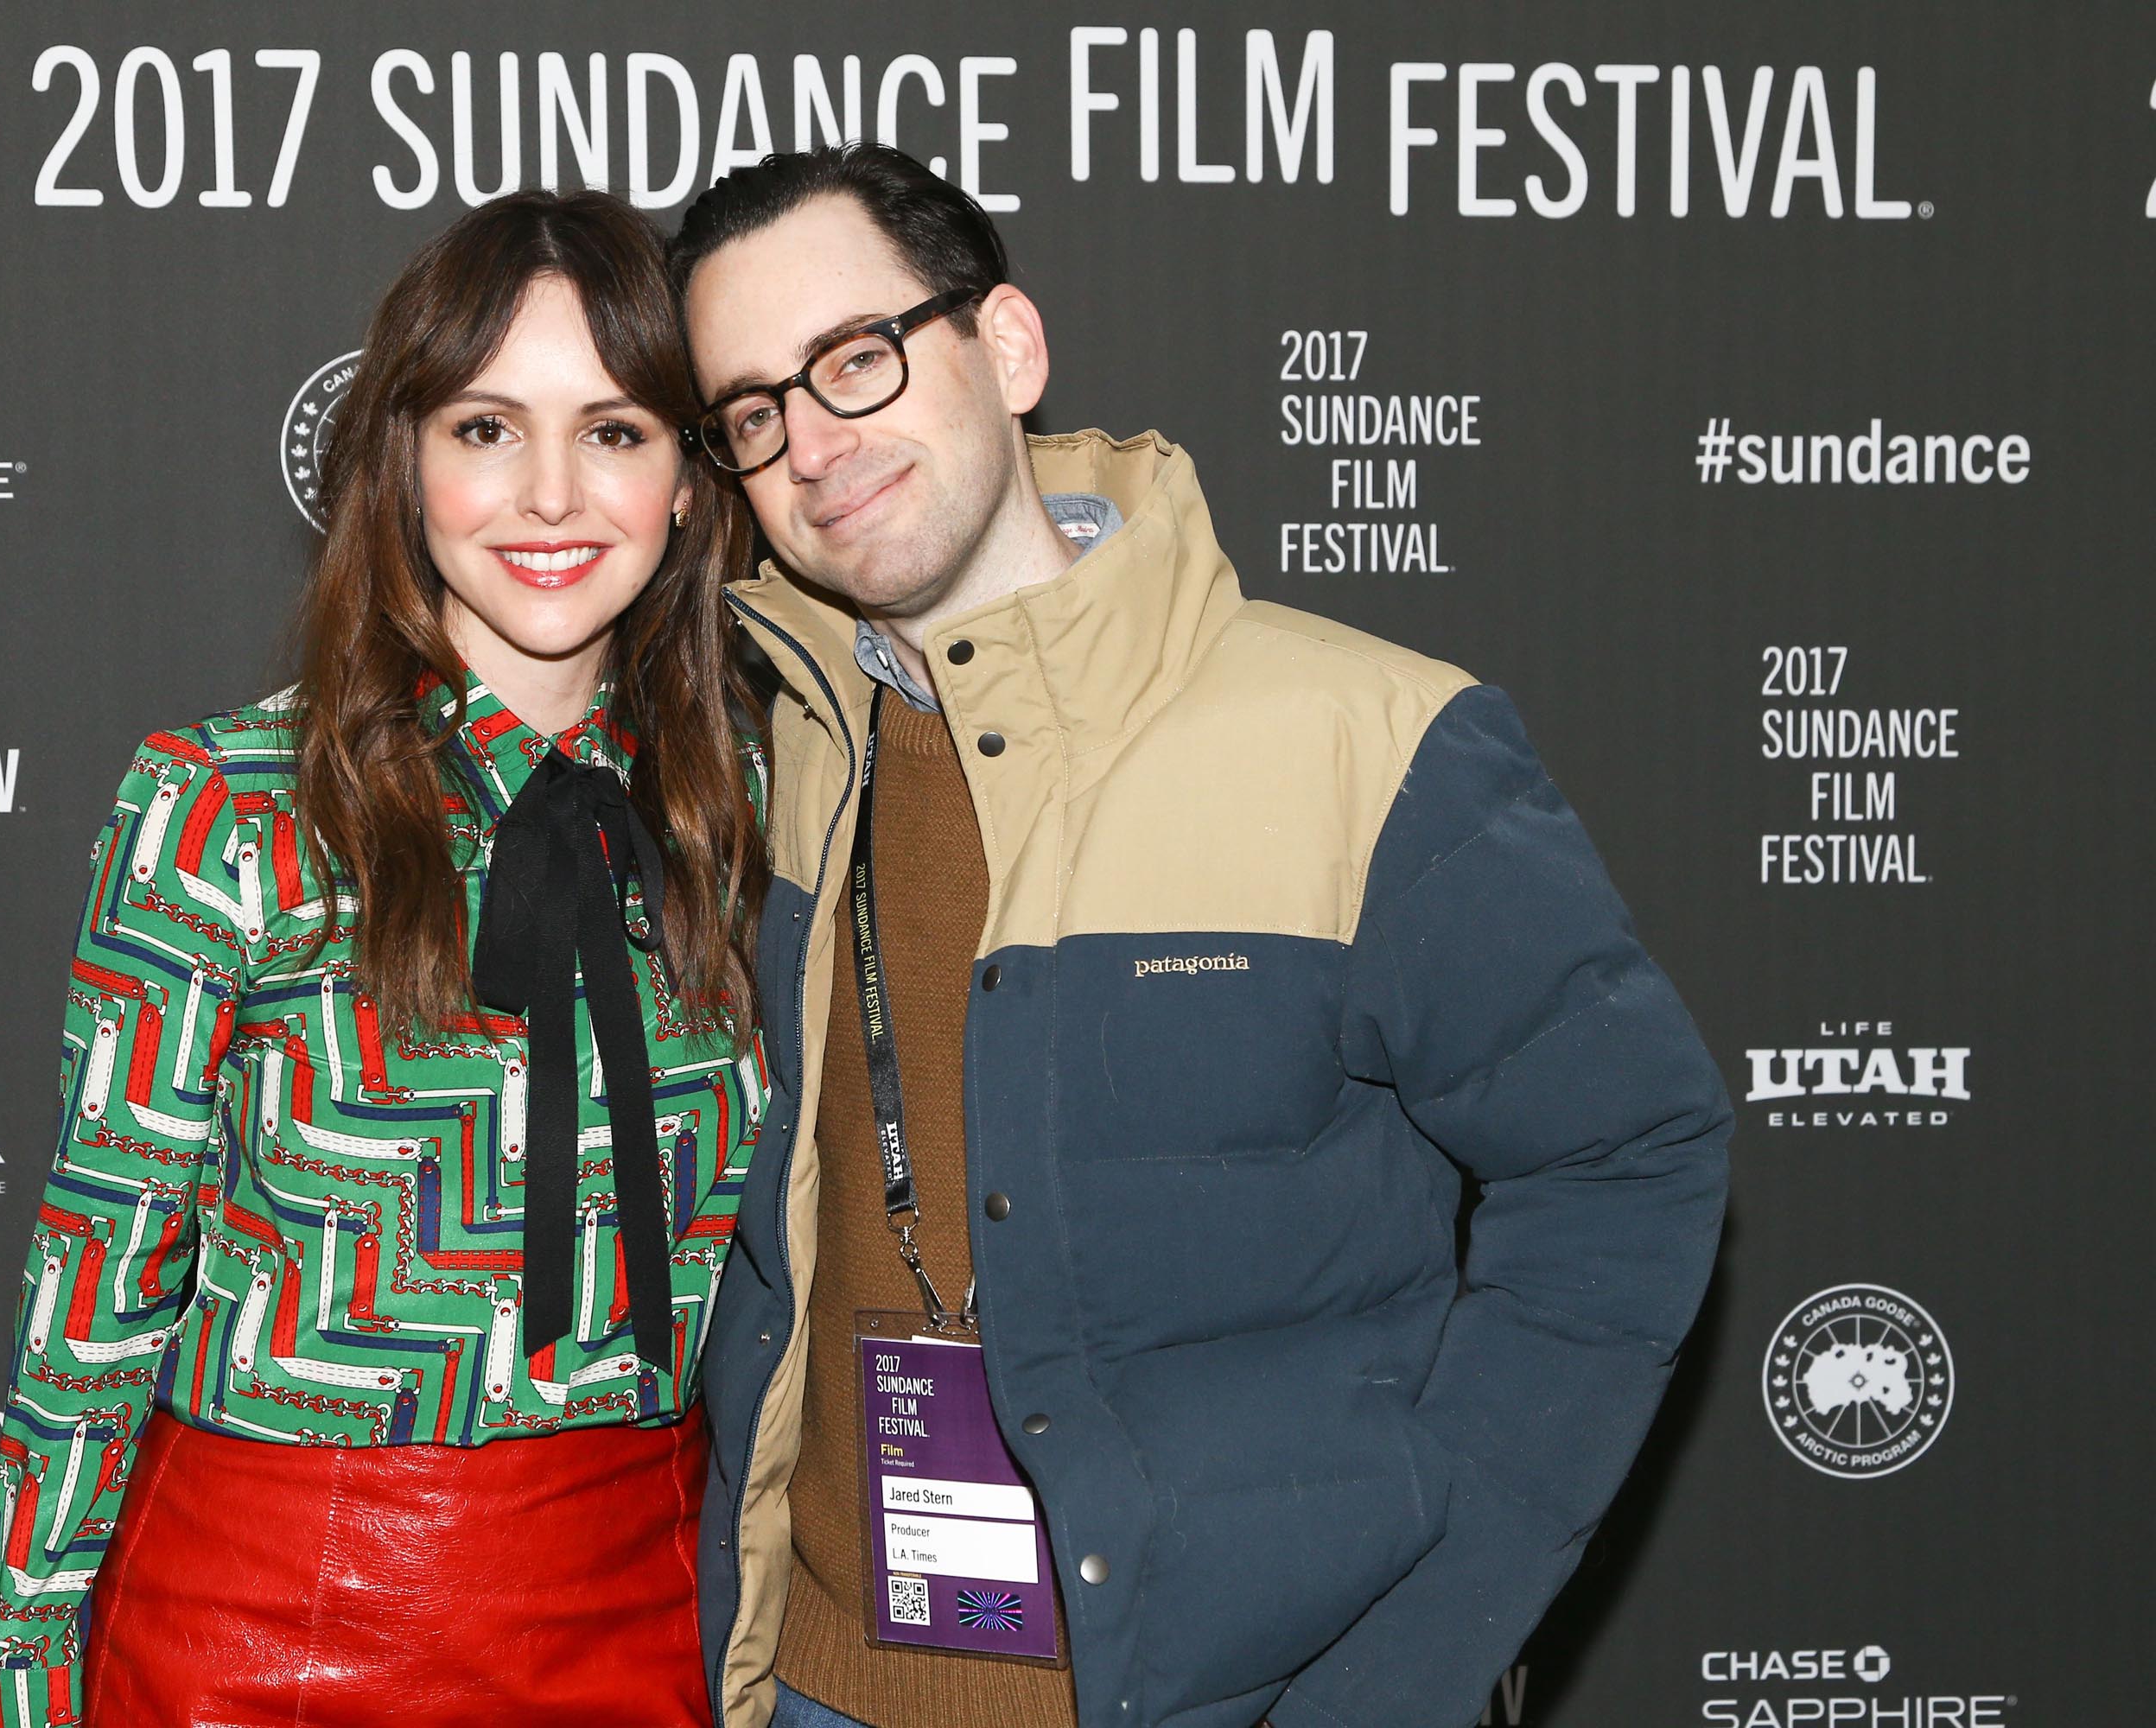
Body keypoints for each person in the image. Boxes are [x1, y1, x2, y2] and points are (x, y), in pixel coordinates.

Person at [670, 143, 1733, 1728]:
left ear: (1007, 347)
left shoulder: (1371, 738)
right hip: (822, 1692)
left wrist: (1424, 1648)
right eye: (756, 410)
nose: (813, 442)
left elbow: (1629, 1162)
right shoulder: (770, 766)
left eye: (856, 360)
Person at [0, 189, 770, 1728]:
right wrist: (28, 1668)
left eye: (615, 431)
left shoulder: (750, 810)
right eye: (486, 428)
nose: (552, 494)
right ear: (401, 461)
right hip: (267, 1633)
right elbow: (91, 1298)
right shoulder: (226, 807)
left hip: (648, 1607)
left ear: (688, 479)